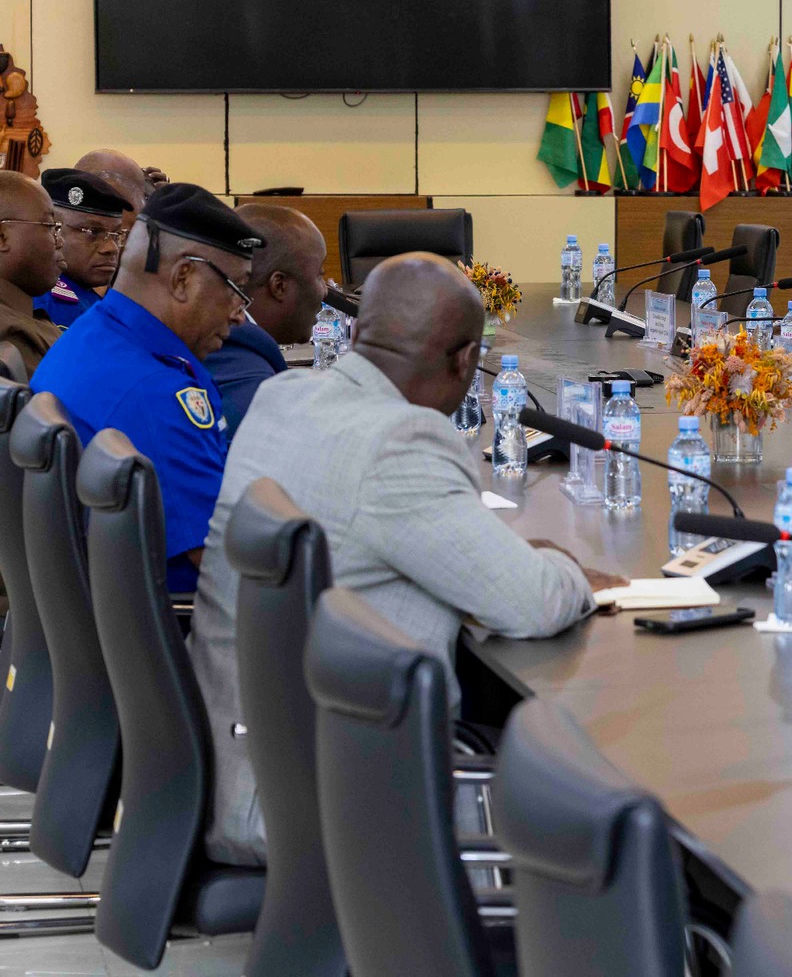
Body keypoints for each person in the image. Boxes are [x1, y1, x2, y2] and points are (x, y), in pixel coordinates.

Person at [189, 252, 617, 866]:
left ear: (358, 331)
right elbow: (532, 603)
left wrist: (503, 557)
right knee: (602, 797)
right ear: (466, 361)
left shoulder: (284, 395)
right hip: (332, 793)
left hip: (246, 764)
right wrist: (573, 573)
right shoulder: (401, 441)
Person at [31, 183, 261, 592]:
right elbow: (226, 568)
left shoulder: (92, 334)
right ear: (183, 277)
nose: (240, 315)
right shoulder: (156, 395)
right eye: (236, 290)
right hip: (182, 618)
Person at [204, 204, 328, 437]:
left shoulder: (222, 344)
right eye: (319, 275)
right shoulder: (251, 384)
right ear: (279, 286)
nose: (325, 291)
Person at [33, 167, 133, 328]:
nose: (112, 248)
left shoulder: (92, 299)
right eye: (93, 232)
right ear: (54, 230)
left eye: (116, 234)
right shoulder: (46, 304)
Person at [0, 172, 64, 374]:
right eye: (50, 227)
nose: (60, 241)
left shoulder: (23, 315)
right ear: (2, 237)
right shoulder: (12, 335)